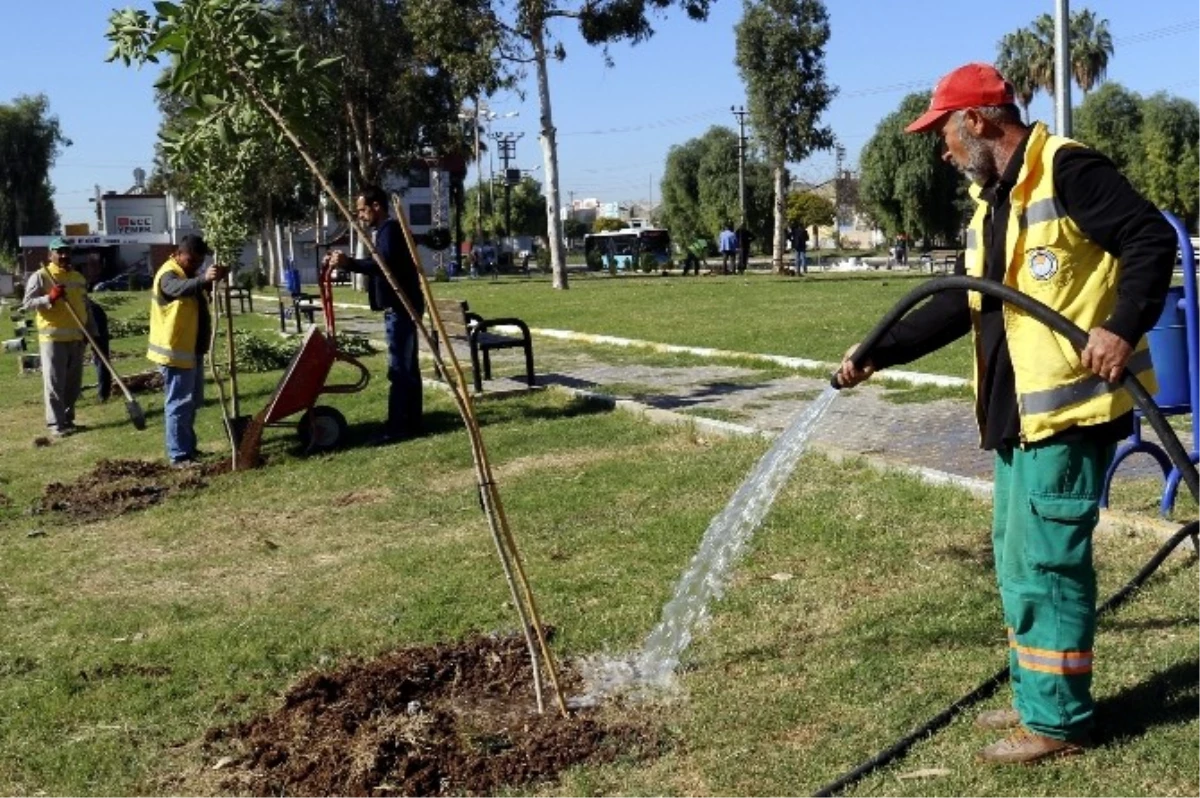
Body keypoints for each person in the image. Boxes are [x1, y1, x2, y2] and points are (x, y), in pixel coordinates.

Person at [835, 62, 1176, 765]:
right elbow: (962, 302)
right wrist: (877, 350)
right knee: (1020, 561)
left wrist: (1118, 326)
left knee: (1048, 565)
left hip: (1068, 415)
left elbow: (1151, 239)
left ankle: (1058, 725)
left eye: (945, 135)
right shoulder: (995, 201)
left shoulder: (1068, 170)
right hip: (1017, 418)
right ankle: (1037, 701)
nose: (942, 151)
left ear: (980, 121)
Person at [326, 184, 425, 444]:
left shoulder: (390, 230)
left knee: (400, 371)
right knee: (408, 369)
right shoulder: (384, 231)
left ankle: (397, 427)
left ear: (376, 207)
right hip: (401, 307)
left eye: (362, 210)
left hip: (401, 308)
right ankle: (412, 421)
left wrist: (350, 264)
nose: (360, 215)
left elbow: (384, 266)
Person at [147, 235, 225, 467]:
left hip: (191, 349)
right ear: (177, 254)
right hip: (174, 351)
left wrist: (213, 279)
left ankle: (188, 449)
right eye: (191, 260)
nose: (196, 266)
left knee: (190, 403)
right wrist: (203, 279)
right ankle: (179, 455)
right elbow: (176, 289)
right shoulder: (168, 274)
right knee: (179, 404)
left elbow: (197, 297)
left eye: (200, 262)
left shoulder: (189, 274)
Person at [22, 237, 91, 436]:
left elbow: (85, 306)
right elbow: (27, 304)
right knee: (54, 384)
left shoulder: (78, 277)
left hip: (77, 337)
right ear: (50, 254)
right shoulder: (42, 276)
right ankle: (56, 424)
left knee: (73, 385)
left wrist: (90, 331)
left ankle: (68, 419)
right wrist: (49, 298)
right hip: (53, 338)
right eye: (59, 251)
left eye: (66, 251)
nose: (63, 255)